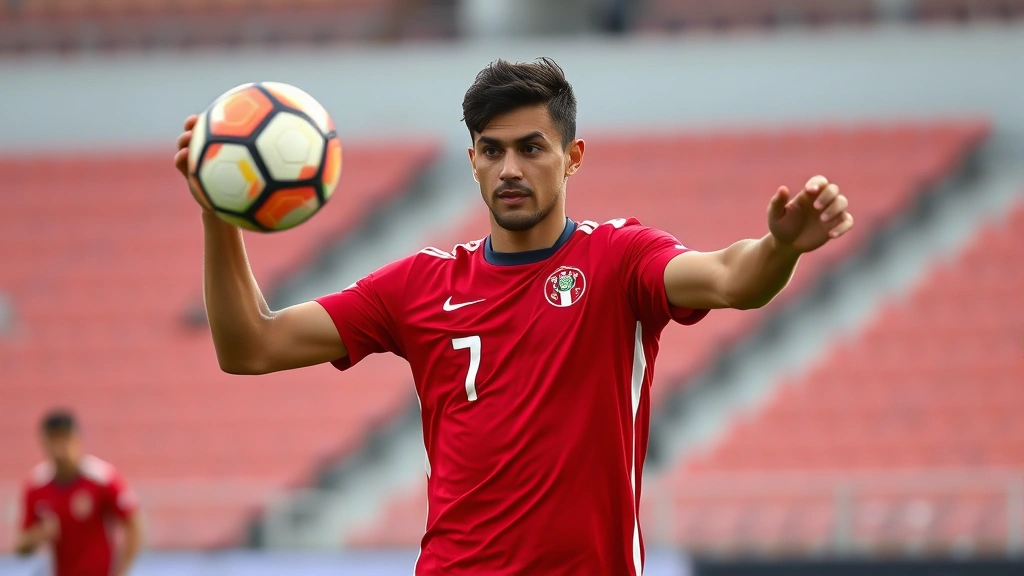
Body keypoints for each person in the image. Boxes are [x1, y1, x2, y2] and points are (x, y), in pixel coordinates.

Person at [172, 58, 853, 575]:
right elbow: (250, 345)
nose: (509, 169)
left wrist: (781, 248)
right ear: (472, 160)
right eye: (492, 150)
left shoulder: (618, 259)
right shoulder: (418, 285)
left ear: (572, 157)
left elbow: (732, 279)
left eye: (531, 147)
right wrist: (217, 210)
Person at [16, 410, 142, 576]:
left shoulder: (102, 478)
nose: (59, 449)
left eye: (64, 439)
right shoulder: (35, 486)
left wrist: (121, 571)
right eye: (53, 441)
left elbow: (134, 524)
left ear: (77, 439)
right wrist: (38, 536)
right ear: (43, 443)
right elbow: (21, 546)